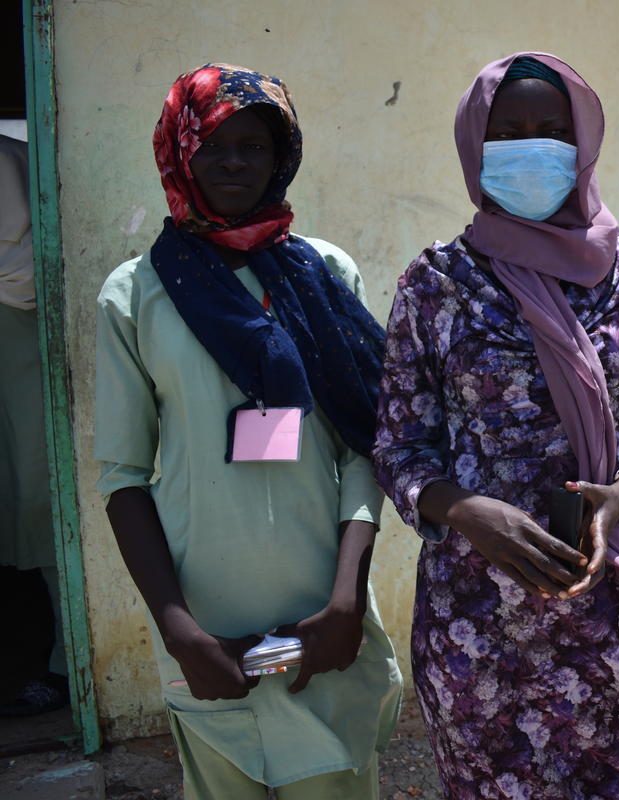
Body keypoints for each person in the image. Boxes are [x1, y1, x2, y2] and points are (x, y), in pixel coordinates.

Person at [374, 52, 619, 799]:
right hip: (478, 627)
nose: (534, 148)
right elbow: (398, 447)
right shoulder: (435, 284)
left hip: (612, 606)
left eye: (553, 131)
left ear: (583, 141)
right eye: (511, 132)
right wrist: (465, 511)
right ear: (476, 144)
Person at [95, 64, 401, 799]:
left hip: (321, 618)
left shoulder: (325, 274)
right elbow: (123, 478)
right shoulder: (136, 293)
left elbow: (366, 443)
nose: (235, 162)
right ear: (178, 153)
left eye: (255, 145)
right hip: (209, 628)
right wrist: (180, 631)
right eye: (213, 145)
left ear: (282, 156)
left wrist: (346, 600)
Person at [0, 131, 69, 717]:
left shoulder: (4, 160)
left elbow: (21, 271)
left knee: (39, 499)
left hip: (19, 332)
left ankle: (65, 662)